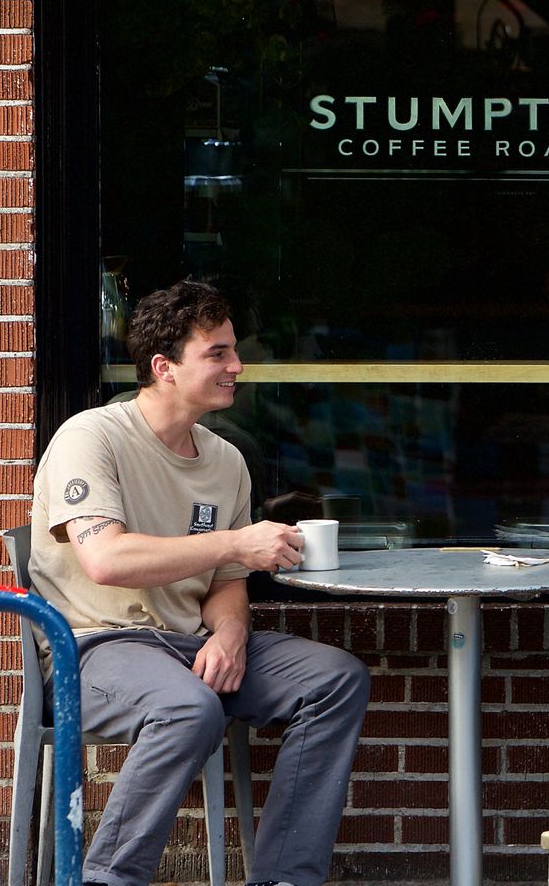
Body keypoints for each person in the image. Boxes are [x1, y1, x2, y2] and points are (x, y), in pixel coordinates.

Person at [27, 280, 370, 886]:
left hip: (188, 644)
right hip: (95, 647)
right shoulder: (92, 437)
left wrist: (232, 634)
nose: (237, 366)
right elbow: (105, 559)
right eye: (217, 353)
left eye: (233, 350)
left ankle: (284, 877)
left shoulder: (226, 459)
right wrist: (236, 541)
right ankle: (106, 878)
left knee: (334, 679)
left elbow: (226, 581)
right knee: (190, 709)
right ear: (164, 367)